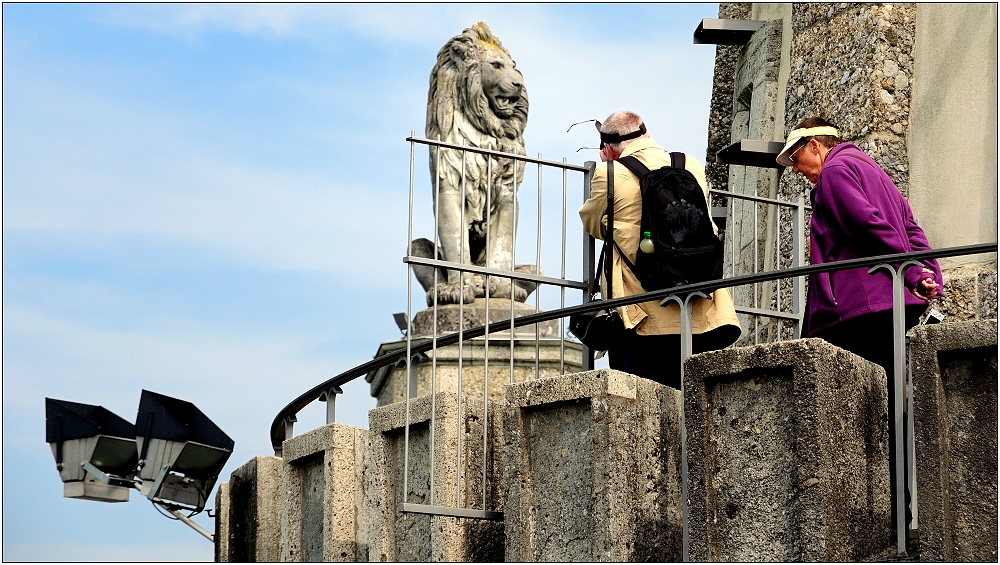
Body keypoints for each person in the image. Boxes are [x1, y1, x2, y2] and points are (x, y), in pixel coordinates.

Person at [776, 116, 942, 526]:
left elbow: (866, 224)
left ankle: (877, 517)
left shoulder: (833, 170)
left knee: (857, 413)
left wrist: (912, 268)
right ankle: (897, 515)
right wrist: (925, 273)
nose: (796, 169)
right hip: (890, 303)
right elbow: (910, 227)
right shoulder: (873, 170)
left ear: (816, 144)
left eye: (796, 157)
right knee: (889, 406)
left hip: (855, 307)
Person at [579, 111, 742, 389]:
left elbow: (593, 224)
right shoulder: (688, 164)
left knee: (642, 408)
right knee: (692, 406)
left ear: (608, 148)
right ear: (646, 133)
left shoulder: (610, 173)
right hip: (697, 310)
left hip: (642, 315)